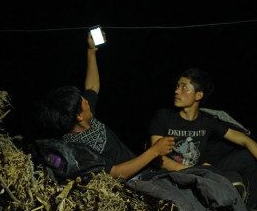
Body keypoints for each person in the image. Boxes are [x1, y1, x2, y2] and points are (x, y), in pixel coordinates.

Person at [148, 67, 257, 211]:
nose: (177, 91)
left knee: (243, 160)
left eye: (184, 87)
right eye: (177, 86)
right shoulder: (164, 117)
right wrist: (197, 170)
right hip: (173, 177)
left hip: (199, 173)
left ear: (198, 95)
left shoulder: (206, 121)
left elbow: (246, 141)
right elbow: (157, 158)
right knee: (221, 177)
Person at [38, 32, 175, 180]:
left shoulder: (86, 121)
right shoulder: (78, 151)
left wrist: (91, 51)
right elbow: (116, 173)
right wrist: (154, 150)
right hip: (134, 186)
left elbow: (92, 86)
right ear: (79, 116)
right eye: (83, 101)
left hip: (146, 175)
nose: (87, 101)